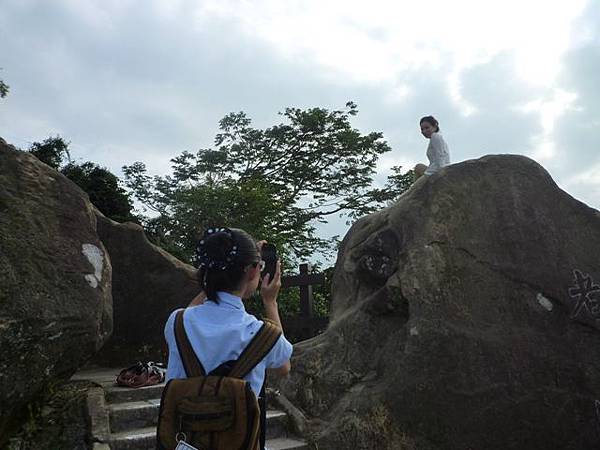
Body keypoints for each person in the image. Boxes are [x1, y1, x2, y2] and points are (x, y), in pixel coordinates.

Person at [163, 227, 293, 448]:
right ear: (253, 272)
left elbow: (191, 311)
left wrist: (217, 276)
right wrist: (270, 302)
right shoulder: (260, 333)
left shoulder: (176, 322)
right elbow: (284, 367)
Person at [414, 115, 451, 180]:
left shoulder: (435, 136)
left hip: (436, 172)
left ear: (435, 126)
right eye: (422, 129)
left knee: (413, 189)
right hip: (434, 170)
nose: (424, 131)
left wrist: (441, 174)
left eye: (427, 128)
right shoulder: (436, 138)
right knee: (418, 167)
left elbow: (440, 156)